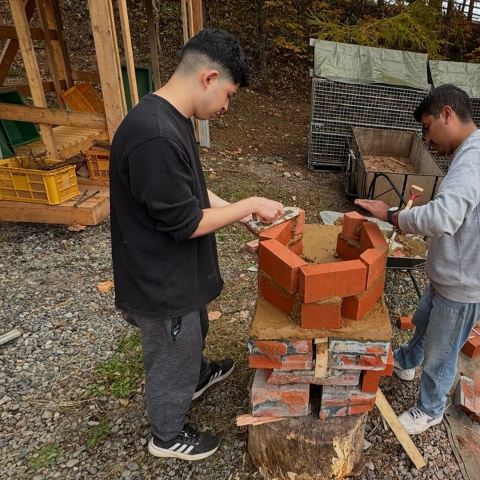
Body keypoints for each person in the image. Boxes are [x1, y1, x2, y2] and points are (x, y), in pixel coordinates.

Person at [110, 29, 284, 460]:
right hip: (160, 280)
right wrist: (249, 201)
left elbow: (191, 191)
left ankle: (197, 373)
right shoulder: (154, 136)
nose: (226, 107)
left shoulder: (173, 119)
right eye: (228, 95)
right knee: (172, 350)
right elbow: (185, 222)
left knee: (192, 334)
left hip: (179, 272)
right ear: (208, 78)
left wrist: (238, 212)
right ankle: (167, 435)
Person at [355, 84, 480, 435]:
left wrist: (393, 215)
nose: (427, 139)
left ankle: (430, 409)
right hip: (459, 274)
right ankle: (406, 362)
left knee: (442, 352)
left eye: (428, 127)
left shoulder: (474, 154)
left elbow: (444, 217)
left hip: (467, 283)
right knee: (425, 319)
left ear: (447, 114)